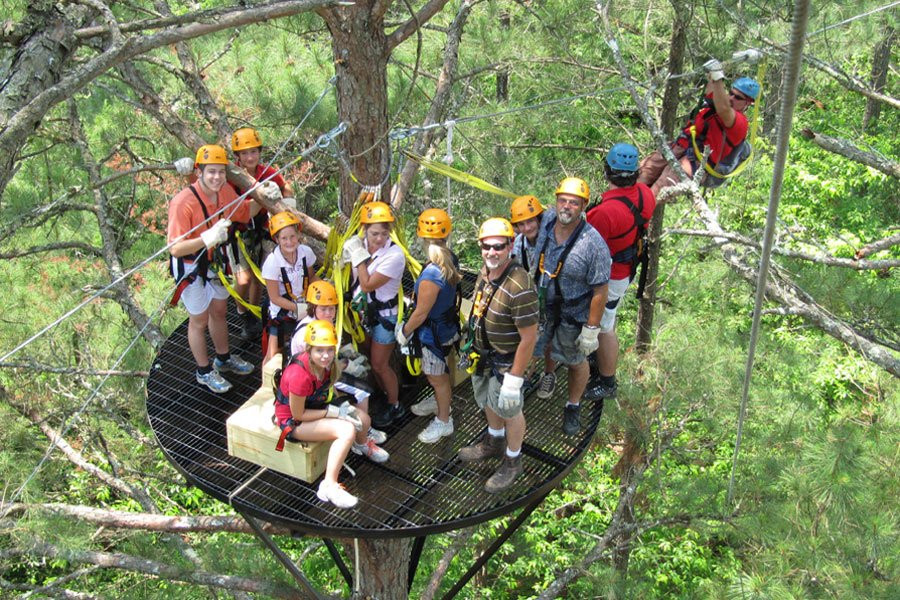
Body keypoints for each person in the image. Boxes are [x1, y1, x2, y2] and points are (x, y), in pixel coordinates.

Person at [167, 144, 261, 393]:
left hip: (214, 261)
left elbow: (244, 211)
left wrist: (267, 197)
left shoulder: (225, 192)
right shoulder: (183, 202)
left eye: (221, 172)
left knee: (219, 309)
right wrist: (207, 239)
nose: (216, 177)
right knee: (199, 319)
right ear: (199, 172)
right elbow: (175, 249)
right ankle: (204, 371)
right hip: (190, 265)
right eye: (211, 172)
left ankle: (224, 357)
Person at [457, 218, 538, 493]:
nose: (492, 252)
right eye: (487, 246)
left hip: (507, 360)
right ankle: (494, 440)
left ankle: (513, 460)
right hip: (483, 354)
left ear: (510, 246)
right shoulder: (486, 271)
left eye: (499, 247)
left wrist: (515, 380)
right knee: (488, 400)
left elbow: (529, 337)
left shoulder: (520, 286)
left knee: (510, 409)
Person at [276, 320, 387, 509]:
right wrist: (332, 413)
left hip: (316, 405)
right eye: (319, 351)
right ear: (309, 350)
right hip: (293, 421)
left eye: (329, 350)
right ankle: (329, 485)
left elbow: (327, 389)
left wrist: (342, 407)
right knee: (346, 430)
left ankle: (361, 446)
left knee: (364, 420)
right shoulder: (299, 375)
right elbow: (298, 414)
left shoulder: (329, 365)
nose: (325, 356)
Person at [532, 177, 611, 435]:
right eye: (563, 200)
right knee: (545, 343)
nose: (566, 207)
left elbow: (600, 289)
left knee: (576, 359)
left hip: (573, 312)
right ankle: (549, 373)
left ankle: (573, 404)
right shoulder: (545, 223)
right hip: (544, 303)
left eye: (574, 203)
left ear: (583, 206)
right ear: (555, 201)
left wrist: (591, 329)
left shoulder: (593, 244)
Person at [585, 144, 656, 400]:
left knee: (605, 326)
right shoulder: (645, 195)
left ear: (607, 172)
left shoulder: (603, 213)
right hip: (625, 269)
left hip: (610, 277)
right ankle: (598, 363)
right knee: (605, 322)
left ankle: (607, 381)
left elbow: (587, 250)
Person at [638, 59, 760, 196]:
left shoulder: (740, 123)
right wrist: (713, 73)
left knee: (657, 190)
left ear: (747, 104)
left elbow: (724, 109)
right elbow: (712, 89)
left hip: (695, 163)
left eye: (737, 97)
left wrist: (719, 76)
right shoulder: (719, 102)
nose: (731, 98)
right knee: (640, 175)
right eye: (730, 93)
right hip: (680, 147)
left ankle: (635, 213)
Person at [289, 280, 387, 448]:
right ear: (313, 307)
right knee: (362, 391)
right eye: (324, 309)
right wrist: (345, 365)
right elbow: (318, 364)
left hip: (323, 368)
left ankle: (362, 427)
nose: (328, 313)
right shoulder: (308, 331)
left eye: (331, 308)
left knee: (363, 383)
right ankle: (362, 431)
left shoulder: (322, 322)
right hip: (314, 375)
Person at [395, 209, 462, 443]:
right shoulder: (449, 259)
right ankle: (438, 400)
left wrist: (404, 332)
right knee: (439, 373)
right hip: (446, 328)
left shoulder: (432, 274)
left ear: (422, 237)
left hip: (432, 334)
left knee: (437, 377)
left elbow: (421, 312)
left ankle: (444, 420)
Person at [341, 201, 407, 428]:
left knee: (380, 364)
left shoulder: (394, 255)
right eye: (374, 233)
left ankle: (395, 404)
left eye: (384, 233)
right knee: (371, 359)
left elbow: (368, 284)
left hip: (385, 316)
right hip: (366, 313)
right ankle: (383, 394)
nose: (379, 238)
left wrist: (357, 256)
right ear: (365, 230)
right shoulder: (362, 246)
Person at [230, 127, 297, 340]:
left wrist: (285, 203)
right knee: (243, 280)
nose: (250, 157)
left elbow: (287, 188)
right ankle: (242, 313)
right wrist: (262, 198)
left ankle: (253, 312)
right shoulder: (233, 177)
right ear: (238, 157)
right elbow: (240, 212)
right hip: (237, 233)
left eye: (253, 152)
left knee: (258, 278)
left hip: (259, 231)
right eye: (245, 153)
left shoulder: (265, 172)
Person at [260, 211, 318, 364]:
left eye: (292, 236)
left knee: (308, 347)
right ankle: (266, 385)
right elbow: (274, 297)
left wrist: (322, 290)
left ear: (298, 235)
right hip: (282, 311)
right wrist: (297, 308)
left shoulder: (306, 253)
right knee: (274, 355)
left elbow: (311, 277)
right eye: (284, 238)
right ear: (277, 239)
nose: (289, 242)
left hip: (305, 305)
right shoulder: (273, 263)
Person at [509, 195, 551, 277]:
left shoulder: (553, 241)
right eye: (521, 224)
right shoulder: (517, 246)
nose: (527, 228)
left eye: (530, 221)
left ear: (539, 220)